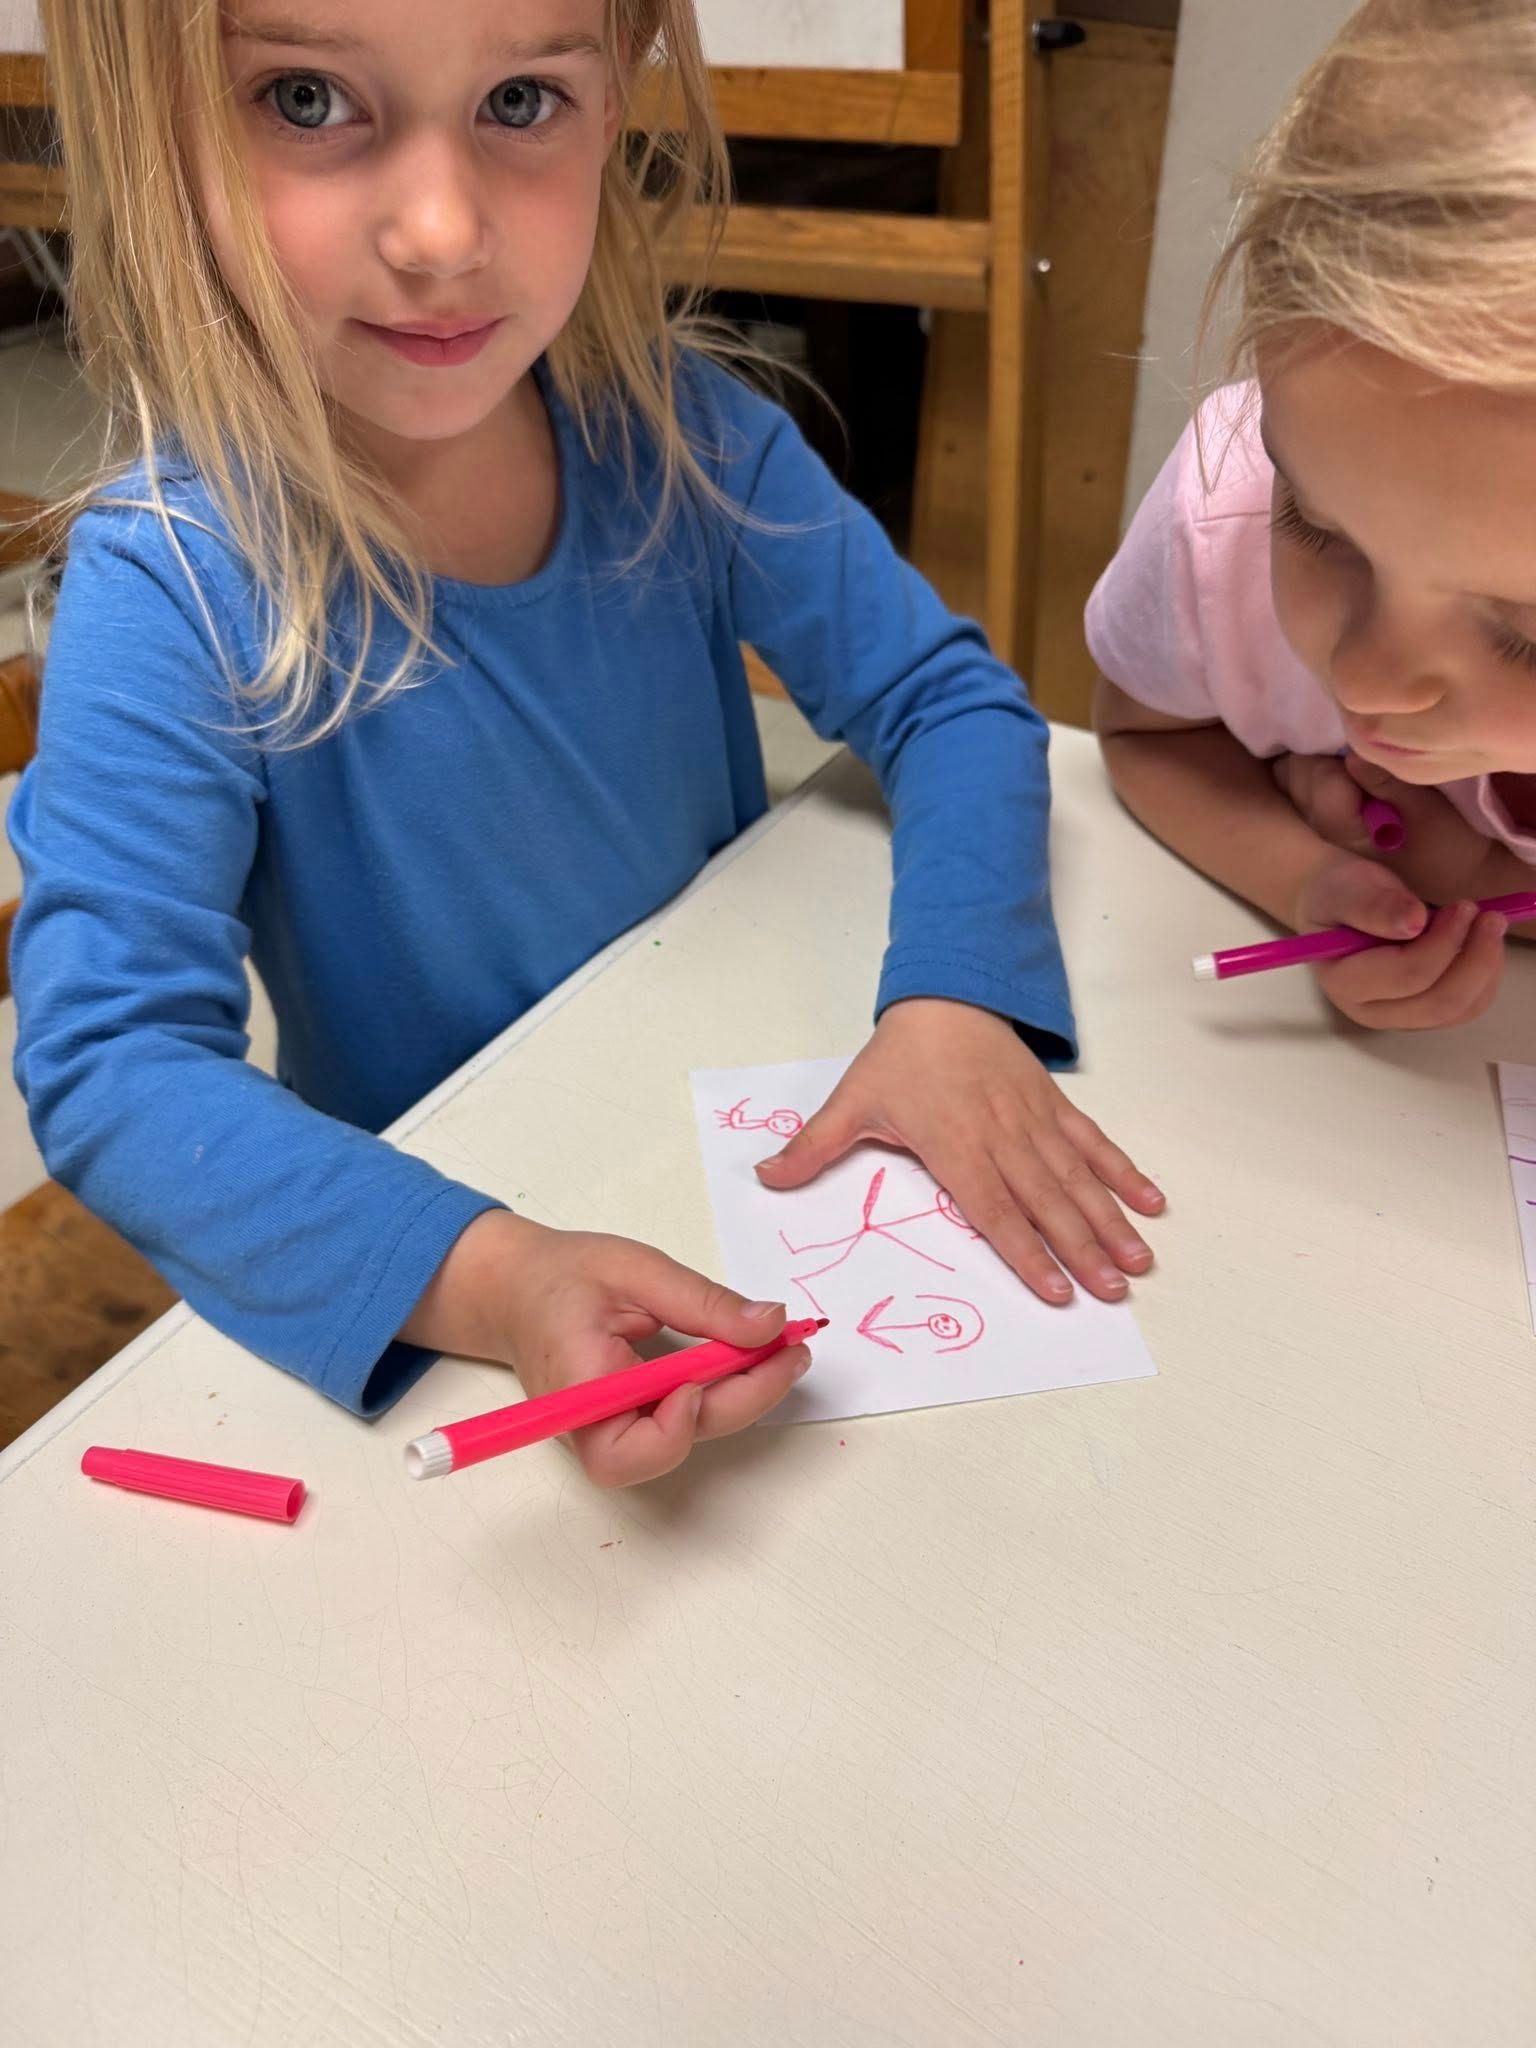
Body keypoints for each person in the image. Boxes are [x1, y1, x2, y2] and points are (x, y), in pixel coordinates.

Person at [11, 0, 1161, 1487]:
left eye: (520, 101)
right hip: (459, 1233)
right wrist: (496, 1277)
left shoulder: (690, 435)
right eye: (304, 99)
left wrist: (956, 996)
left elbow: (947, 700)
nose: (439, 232)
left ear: (618, 100)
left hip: (743, 1166)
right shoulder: (173, 579)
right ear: (159, 128)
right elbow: (114, 1067)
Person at [1092, 0, 1536, 1032]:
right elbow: (1145, 735)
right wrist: (1307, 880)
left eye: (1529, 628)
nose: (1368, 681)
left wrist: (1481, 883)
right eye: (1319, 527)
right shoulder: (1226, 509)